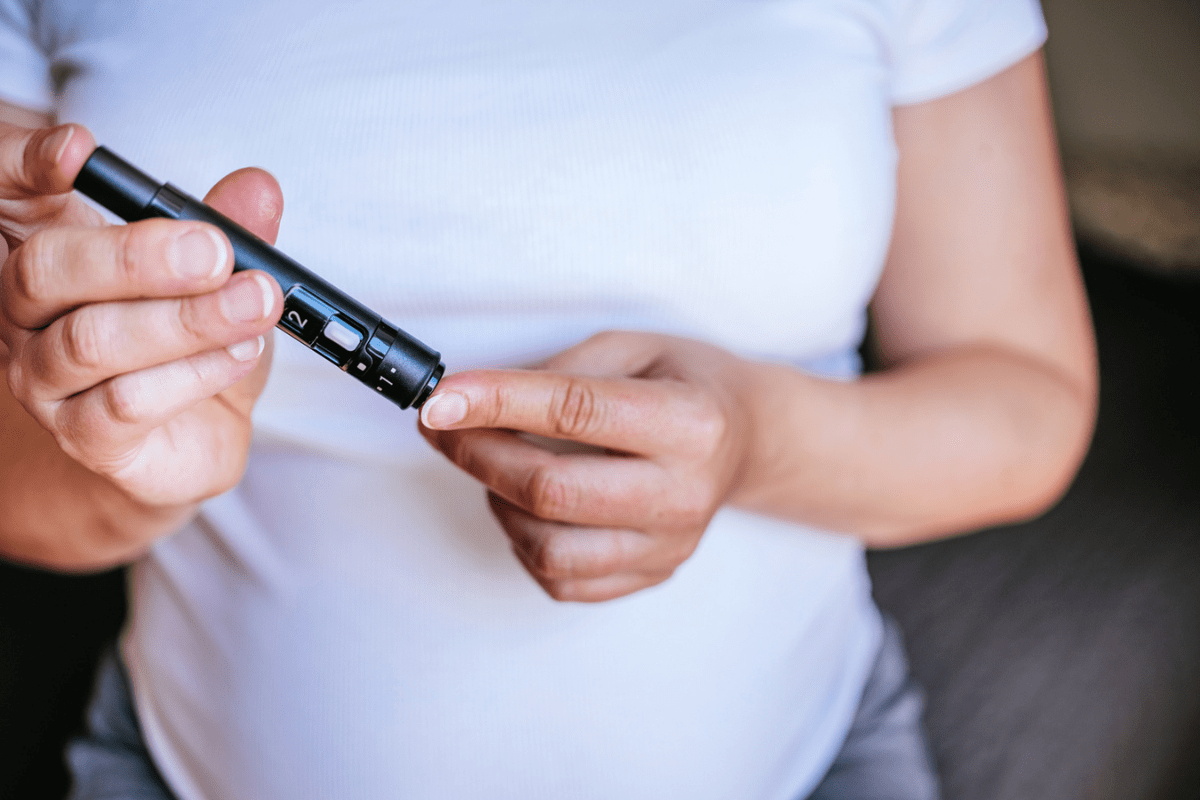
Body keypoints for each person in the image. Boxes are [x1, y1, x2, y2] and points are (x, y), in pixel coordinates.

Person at [0, 0, 1096, 798]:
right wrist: (120, 472)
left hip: (803, 764)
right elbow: (22, 492)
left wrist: (754, 442)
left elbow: (1028, 405)